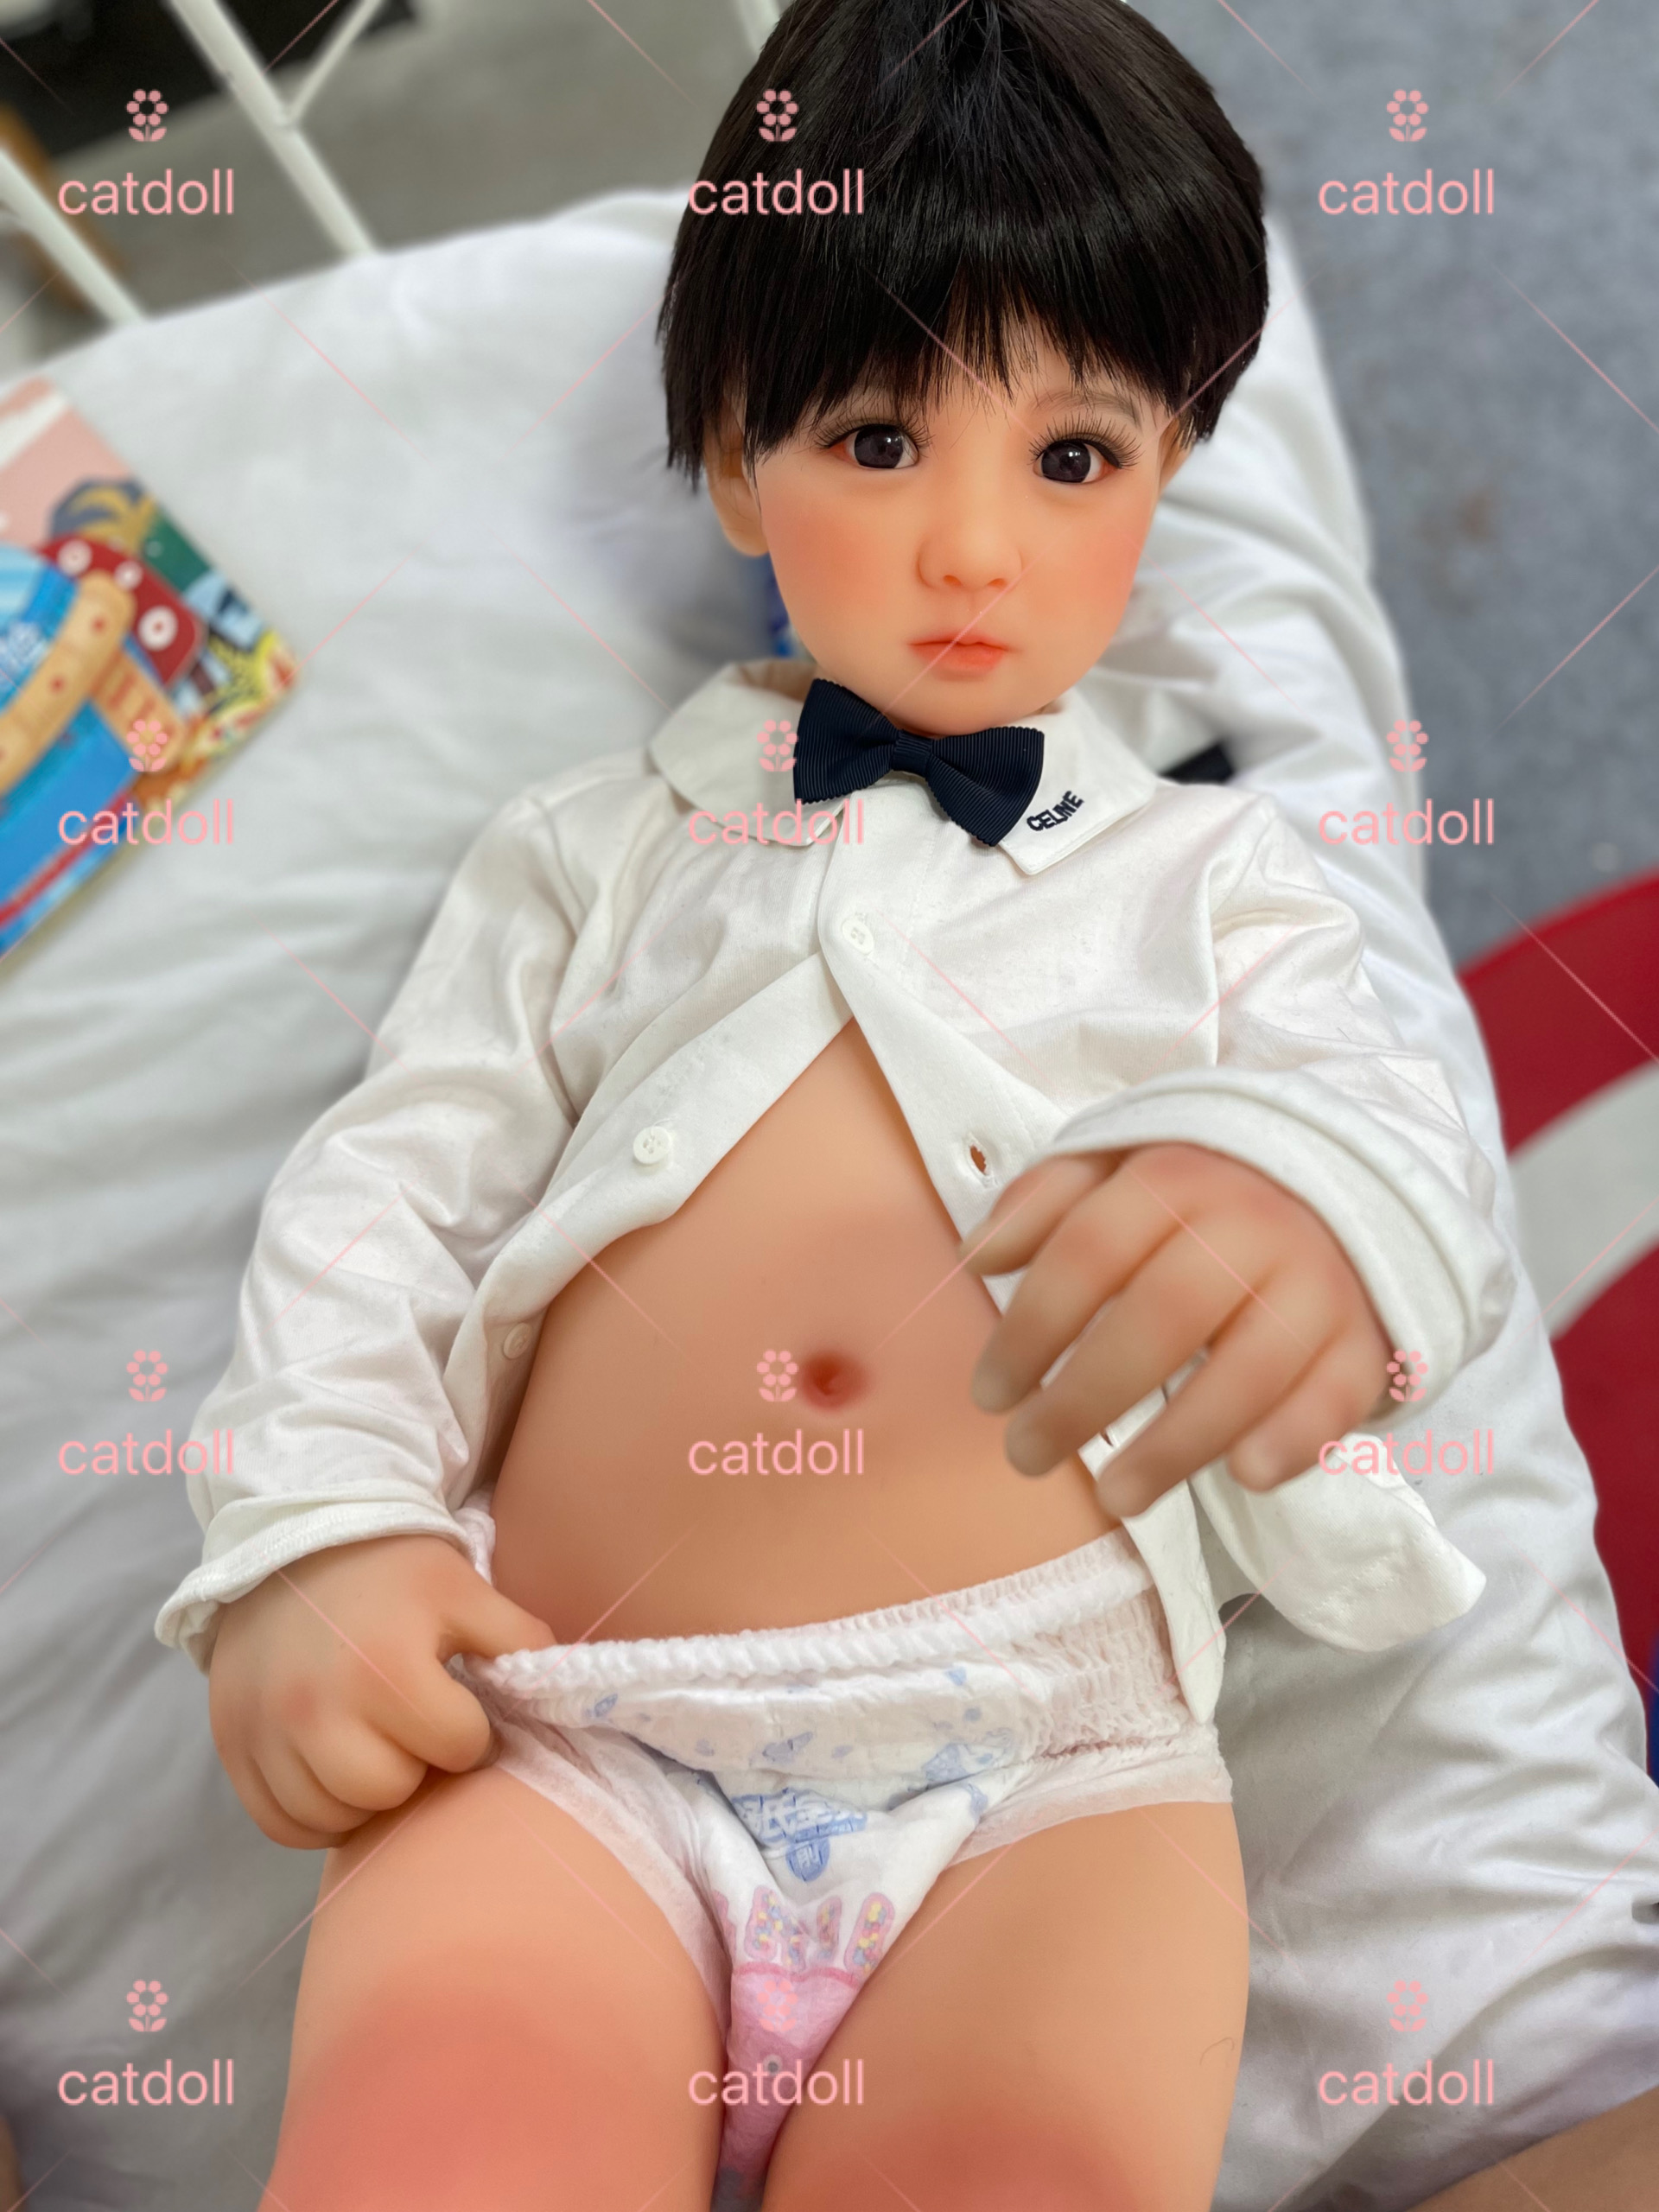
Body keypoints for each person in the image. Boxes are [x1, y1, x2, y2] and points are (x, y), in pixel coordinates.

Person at [156, 3, 1517, 2205]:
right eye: (881, 439)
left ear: (1171, 468)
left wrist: (1309, 1206)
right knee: (440, 2133)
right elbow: (386, 1194)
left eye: (1073, 457)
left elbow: (1398, 1131)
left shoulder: (1218, 873)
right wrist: (315, 1529)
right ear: (733, 461)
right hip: (567, 1720)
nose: (973, 545)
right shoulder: (592, 849)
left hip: (1054, 1769)